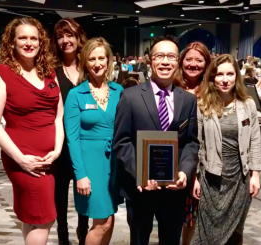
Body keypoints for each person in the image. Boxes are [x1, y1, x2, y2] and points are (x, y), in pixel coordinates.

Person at [0, 17, 64, 244]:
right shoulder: (0, 73)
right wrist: (21, 159)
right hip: (22, 157)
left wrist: (57, 149)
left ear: (41, 43)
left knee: (32, 216)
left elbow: (58, 116)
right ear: (12, 42)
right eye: (22, 38)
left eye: (33, 38)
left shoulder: (49, 72)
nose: (29, 43)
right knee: (44, 218)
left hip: (49, 158)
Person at [113, 35, 199, 245]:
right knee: (140, 240)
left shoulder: (187, 100)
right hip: (141, 188)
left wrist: (184, 171)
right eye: (159, 56)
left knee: (171, 240)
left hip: (174, 190)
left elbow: (191, 142)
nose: (165, 62)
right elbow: (121, 141)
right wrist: (139, 173)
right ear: (150, 60)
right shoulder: (130, 96)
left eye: (171, 56)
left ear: (177, 62)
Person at [192, 54, 261, 245]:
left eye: (230, 74)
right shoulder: (203, 105)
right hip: (211, 177)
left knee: (235, 231)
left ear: (237, 76)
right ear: (212, 77)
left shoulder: (248, 105)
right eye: (219, 74)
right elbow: (197, 143)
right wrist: (195, 177)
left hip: (240, 177)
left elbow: (255, 140)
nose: (224, 80)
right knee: (206, 232)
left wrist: (255, 175)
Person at [64, 37, 124, 245]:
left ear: (108, 61)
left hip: (114, 164)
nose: (97, 63)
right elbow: (72, 138)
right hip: (90, 166)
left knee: (110, 217)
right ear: (84, 63)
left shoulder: (119, 91)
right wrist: (80, 174)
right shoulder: (76, 94)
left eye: (101, 58)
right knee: (103, 222)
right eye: (92, 59)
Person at [51, 17, 88, 245]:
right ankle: (62, 235)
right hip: (61, 142)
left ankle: (83, 232)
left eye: (70, 35)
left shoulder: (89, 68)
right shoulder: (52, 71)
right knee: (60, 193)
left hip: (87, 142)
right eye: (60, 36)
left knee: (84, 192)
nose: (66, 40)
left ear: (78, 37)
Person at [177, 41, 211, 245]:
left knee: (199, 214)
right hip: (179, 158)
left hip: (206, 160)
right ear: (181, 62)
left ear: (206, 63)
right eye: (189, 59)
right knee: (181, 213)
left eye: (199, 60)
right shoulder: (172, 87)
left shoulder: (213, 90)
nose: (193, 64)